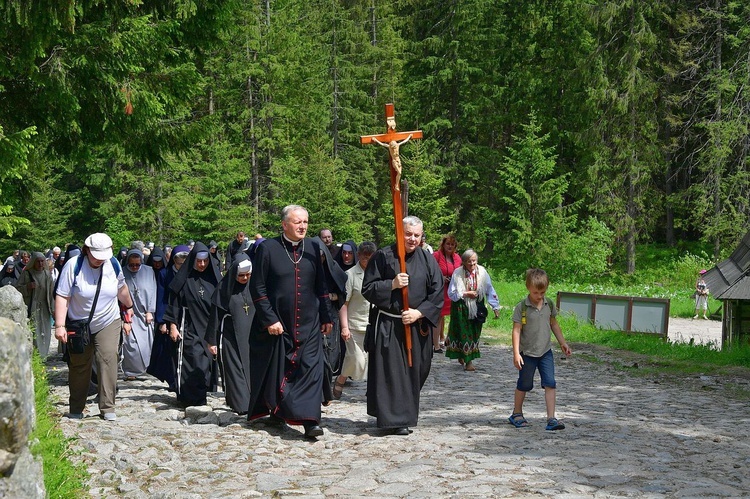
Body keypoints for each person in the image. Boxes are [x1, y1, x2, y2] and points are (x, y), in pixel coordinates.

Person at [247, 205, 333, 438]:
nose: (303, 226)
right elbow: (258, 287)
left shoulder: (314, 247)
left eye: (305, 222)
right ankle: (278, 411)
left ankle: (311, 420)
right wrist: (269, 319)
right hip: (279, 325)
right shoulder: (268, 248)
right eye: (298, 222)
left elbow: (321, 286)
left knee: (311, 369)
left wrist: (326, 316)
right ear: (285, 225)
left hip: (310, 323)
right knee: (279, 371)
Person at [361, 216, 443, 436]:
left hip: (417, 325)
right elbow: (368, 288)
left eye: (417, 235)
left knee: (418, 369)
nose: (413, 239)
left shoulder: (427, 259)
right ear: (400, 232)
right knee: (392, 373)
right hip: (389, 324)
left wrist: (419, 312)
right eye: (408, 234)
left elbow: (437, 293)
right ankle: (395, 419)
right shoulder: (383, 256)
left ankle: (400, 414)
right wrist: (392, 284)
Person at [53, 233, 134, 421]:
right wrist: (60, 325)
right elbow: (63, 296)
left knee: (108, 358)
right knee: (80, 364)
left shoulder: (113, 264)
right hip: (79, 323)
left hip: (108, 319)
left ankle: (107, 407)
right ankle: (76, 407)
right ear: (87, 250)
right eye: (96, 255)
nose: (99, 260)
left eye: (103, 255)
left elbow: (121, 289)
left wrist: (129, 308)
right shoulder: (73, 266)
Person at [509, 268, 572, 431]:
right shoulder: (522, 307)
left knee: (550, 383)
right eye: (536, 292)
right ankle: (516, 413)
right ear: (528, 288)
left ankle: (551, 418)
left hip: (545, 352)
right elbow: (516, 330)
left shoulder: (548, 304)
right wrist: (516, 353)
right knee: (524, 384)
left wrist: (562, 342)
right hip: (527, 353)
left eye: (543, 292)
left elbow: (554, 324)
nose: (540, 295)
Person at [163, 242, 222, 406]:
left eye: (205, 261)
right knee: (193, 360)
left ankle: (200, 396)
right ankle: (188, 398)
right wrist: (172, 326)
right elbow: (173, 302)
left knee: (205, 364)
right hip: (189, 325)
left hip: (209, 327)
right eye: (198, 261)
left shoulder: (214, 279)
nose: (202, 265)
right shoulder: (183, 278)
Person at [206, 254, 255, 414]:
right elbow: (215, 317)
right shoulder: (223, 289)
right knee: (234, 368)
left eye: (248, 275)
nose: (245, 278)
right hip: (230, 335)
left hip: (252, 336)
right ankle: (241, 404)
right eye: (241, 275)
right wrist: (212, 341)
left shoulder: (255, 286)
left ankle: (255, 402)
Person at [334, 241, 376, 399]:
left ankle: (371, 390)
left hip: (372, 325)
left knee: (371, 362)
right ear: (359, 256)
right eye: (365, 258)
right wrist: (344, 327)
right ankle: (341, 378)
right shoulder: (350, 275)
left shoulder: (378, 273)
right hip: (353, 324)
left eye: (371, 258)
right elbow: (343, 304)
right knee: (357, 360)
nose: (368, 261)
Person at [445, 249, 500, 371]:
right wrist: (465, 294)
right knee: (464, 333)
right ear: (464, 262)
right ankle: (468, 361)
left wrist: (495, 306)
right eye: (469, 262)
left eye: (474, 262)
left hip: (477, 307)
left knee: (474, 333)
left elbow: (489, 289)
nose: (472, 265)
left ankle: (463, 355)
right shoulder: (457, 273)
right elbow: (451, 293)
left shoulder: (482, 272)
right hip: (461, 307)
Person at [312, 235, 347, 405]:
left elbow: (342, 294)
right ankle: (316, 392)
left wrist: (332, 296)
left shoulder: (333, 270)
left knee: (330, 355)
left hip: (330, 317)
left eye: (322, 256)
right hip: (311, 318)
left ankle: (325, 391)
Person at [121, 249, 157, 380]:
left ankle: (148, 368)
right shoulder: (122, 272)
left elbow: (153, 291)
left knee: (147, 343)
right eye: (132, 265)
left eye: (137, 264)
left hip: (145, 314)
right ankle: (131, 371)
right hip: (130, 314)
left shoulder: (149, 271)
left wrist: (150, 311)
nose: (135, 267)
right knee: (130, 343)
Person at [16, 252, 55, 357]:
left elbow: (52, 293)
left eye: (42, 261)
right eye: (38, 261)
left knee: (45, 330)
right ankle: (36, 354)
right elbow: (17, 289)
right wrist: (27, 287)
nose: (40, 263)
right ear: (33, 262)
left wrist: (54, 308)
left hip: (45, 307)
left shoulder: (47, 275)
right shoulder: (27, 274)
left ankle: (44, 354)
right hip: (32, 306)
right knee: (35, 330)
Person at [432, 235, 461, 353]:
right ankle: (436, 345)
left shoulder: (458, 258)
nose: (450, 246)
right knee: (438, 317)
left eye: (452, 244)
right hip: (439, 290)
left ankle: (448, 340)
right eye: (448, 244)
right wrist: (440, 278)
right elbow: (430, 271)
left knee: (454, 316)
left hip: (453, 291)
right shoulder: (436, 256)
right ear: (443, 245)